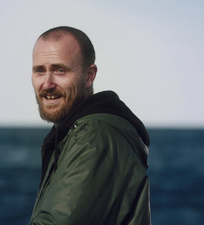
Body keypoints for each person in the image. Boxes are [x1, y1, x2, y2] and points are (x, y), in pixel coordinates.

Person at [29, 26, 151, 225]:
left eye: (60, 70)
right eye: (40, 71)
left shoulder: (95, 138)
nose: (47, 83)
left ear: (89, 76)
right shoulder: (72, 134)